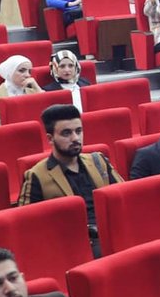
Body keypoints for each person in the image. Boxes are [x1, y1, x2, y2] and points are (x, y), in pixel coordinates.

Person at [19, 104, 122, 251]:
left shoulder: (98, 161)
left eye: (79, 131)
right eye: (66, 133)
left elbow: (124, 197)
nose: (75, 138)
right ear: (50, 138)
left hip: (112, 233)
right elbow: (25, 226)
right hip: (71, 244)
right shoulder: (36, 175)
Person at [0, 54, 42, 123]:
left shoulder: (34, 92)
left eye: (29, 71)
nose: (27, 75)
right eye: (21, 71)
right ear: (10, 71)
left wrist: (38, 88)